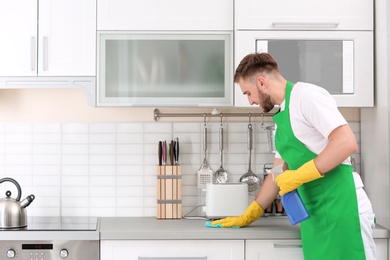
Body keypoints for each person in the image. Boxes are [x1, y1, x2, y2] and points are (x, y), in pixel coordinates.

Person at [208, 53, 376, 260]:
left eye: (248, 93)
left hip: (343, 209)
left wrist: (297, 176)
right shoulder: (283, 118)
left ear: (261, 82)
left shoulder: (307, 96)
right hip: (316, 216)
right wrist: (250, 213)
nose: (250, 101)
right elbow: (277, 173)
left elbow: (345, 142)